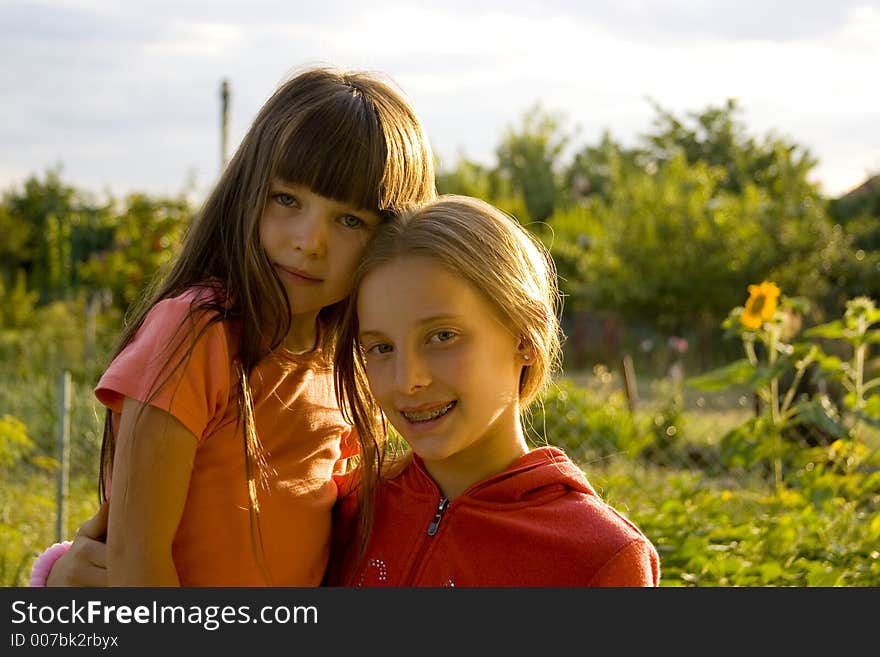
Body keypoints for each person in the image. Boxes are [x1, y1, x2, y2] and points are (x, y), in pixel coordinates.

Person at [30, 65, 436, 586]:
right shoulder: (199, 332)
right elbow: (137, 566)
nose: (309, 241)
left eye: (350, 220)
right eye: (287, 199)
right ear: (248, 191)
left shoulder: (349, 367)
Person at [325, 195, 661, 586]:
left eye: (442, 336)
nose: (407, 380)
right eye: (382, 348)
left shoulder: (601, 556)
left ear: (525, 336)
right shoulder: (349, 509)